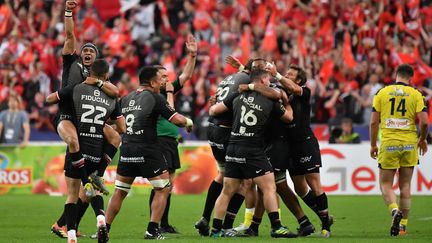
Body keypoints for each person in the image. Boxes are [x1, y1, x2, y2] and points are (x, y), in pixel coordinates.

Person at [51, 1, 122, 238]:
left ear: (97, 58)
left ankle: (95, 178)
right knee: (73, 141)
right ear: (80, 55)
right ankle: (90, 180)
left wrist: (100, 83)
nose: (87, 52)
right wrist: (69, 11)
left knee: (114, 135)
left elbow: (115, 93)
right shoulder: (71, 63)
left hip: (89, 120)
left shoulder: (99, 80)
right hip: (68, 116)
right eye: (85, 50)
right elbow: (70, 33)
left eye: (92, 51)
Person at [105, 66, 194, 240]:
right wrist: (189, 122)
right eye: (160, 79)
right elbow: (177, 120)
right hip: (148, 149)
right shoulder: (155, 98)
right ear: (152, 82)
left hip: (127, 148)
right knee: (163, 188)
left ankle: (105, 228)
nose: (163, 82)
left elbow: (110, 120)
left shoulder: (126, 98)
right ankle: (152, 229)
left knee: (120, 191)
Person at [195, 57, 279, 236]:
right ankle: (227, 226)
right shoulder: (248, 82)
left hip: (214, 128)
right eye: (264, 68)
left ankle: (206, 218)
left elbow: (215, 107)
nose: (268, 71)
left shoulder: (232, 77)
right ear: (256, 72)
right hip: (230, 133)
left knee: (224, 176)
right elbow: (269, 92)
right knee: (243, 182)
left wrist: (241, 67)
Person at [45, 59, 126, 243]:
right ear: (106, 76)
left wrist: (65, 107)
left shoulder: (77, 88)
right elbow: (122, 127)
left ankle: (71, 235)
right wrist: (103, 121)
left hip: (78, 149)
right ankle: (100, 219)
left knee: (73, 195)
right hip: (97, 149)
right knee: (94, 191)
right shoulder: (111, 97)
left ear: (89, 73)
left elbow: (49, 99)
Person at [208, 69, 296, 238]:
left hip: (233, 147)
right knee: (269, 186)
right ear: (262, 81)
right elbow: (289, 118)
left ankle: (216, 230)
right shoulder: (270, 99)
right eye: (268, 79)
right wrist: (289, 105)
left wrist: (212, 103)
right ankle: (276, 227)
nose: (270, 82)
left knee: (227, 191)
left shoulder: (236, 94)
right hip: (252, 148)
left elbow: (214, 111)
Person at [237, 82, 315, 237]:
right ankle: (257, 226)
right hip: (267, 144)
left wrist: (252, 86)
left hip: (277, 144)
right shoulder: (260, 92)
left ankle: (302, 221)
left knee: (277, 186)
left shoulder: (273, 90)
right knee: (270, 187)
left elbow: (281, 97)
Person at [266, 63, 333, 237]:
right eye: (286, 73)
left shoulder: (304, 92)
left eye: (290, 74)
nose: (286, 75)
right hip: (289, 148)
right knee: (300, 188)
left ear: (299, 80)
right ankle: (320, 216)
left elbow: (294, 89)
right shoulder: (281, 94)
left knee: (315, 185)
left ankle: (326, 226)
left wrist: (278, 75)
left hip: (305, 144)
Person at [370, 64, 428, 236]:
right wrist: (423, 139)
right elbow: (424, 122)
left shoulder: (382, 93)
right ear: (410, 78)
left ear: (396, 75)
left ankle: (394, 210)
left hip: (389, 143)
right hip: (410, 143)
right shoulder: (417, 94)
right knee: (405, 185)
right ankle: (403, 227)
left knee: (386, 184)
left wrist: (373, 144)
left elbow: (374, 122)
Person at [149, 34, 197, 234]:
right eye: (163, 77)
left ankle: (164, 223)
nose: (167, 80)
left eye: (167, 77)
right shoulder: (153, 96)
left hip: (171, 141)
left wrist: (192, 56)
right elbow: (170, 112)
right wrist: (169, 92)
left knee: (168, 185)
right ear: (154, 80)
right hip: (159, 141)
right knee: (161, 184)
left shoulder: (165, 90)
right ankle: (155, 224)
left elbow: (185, 77)